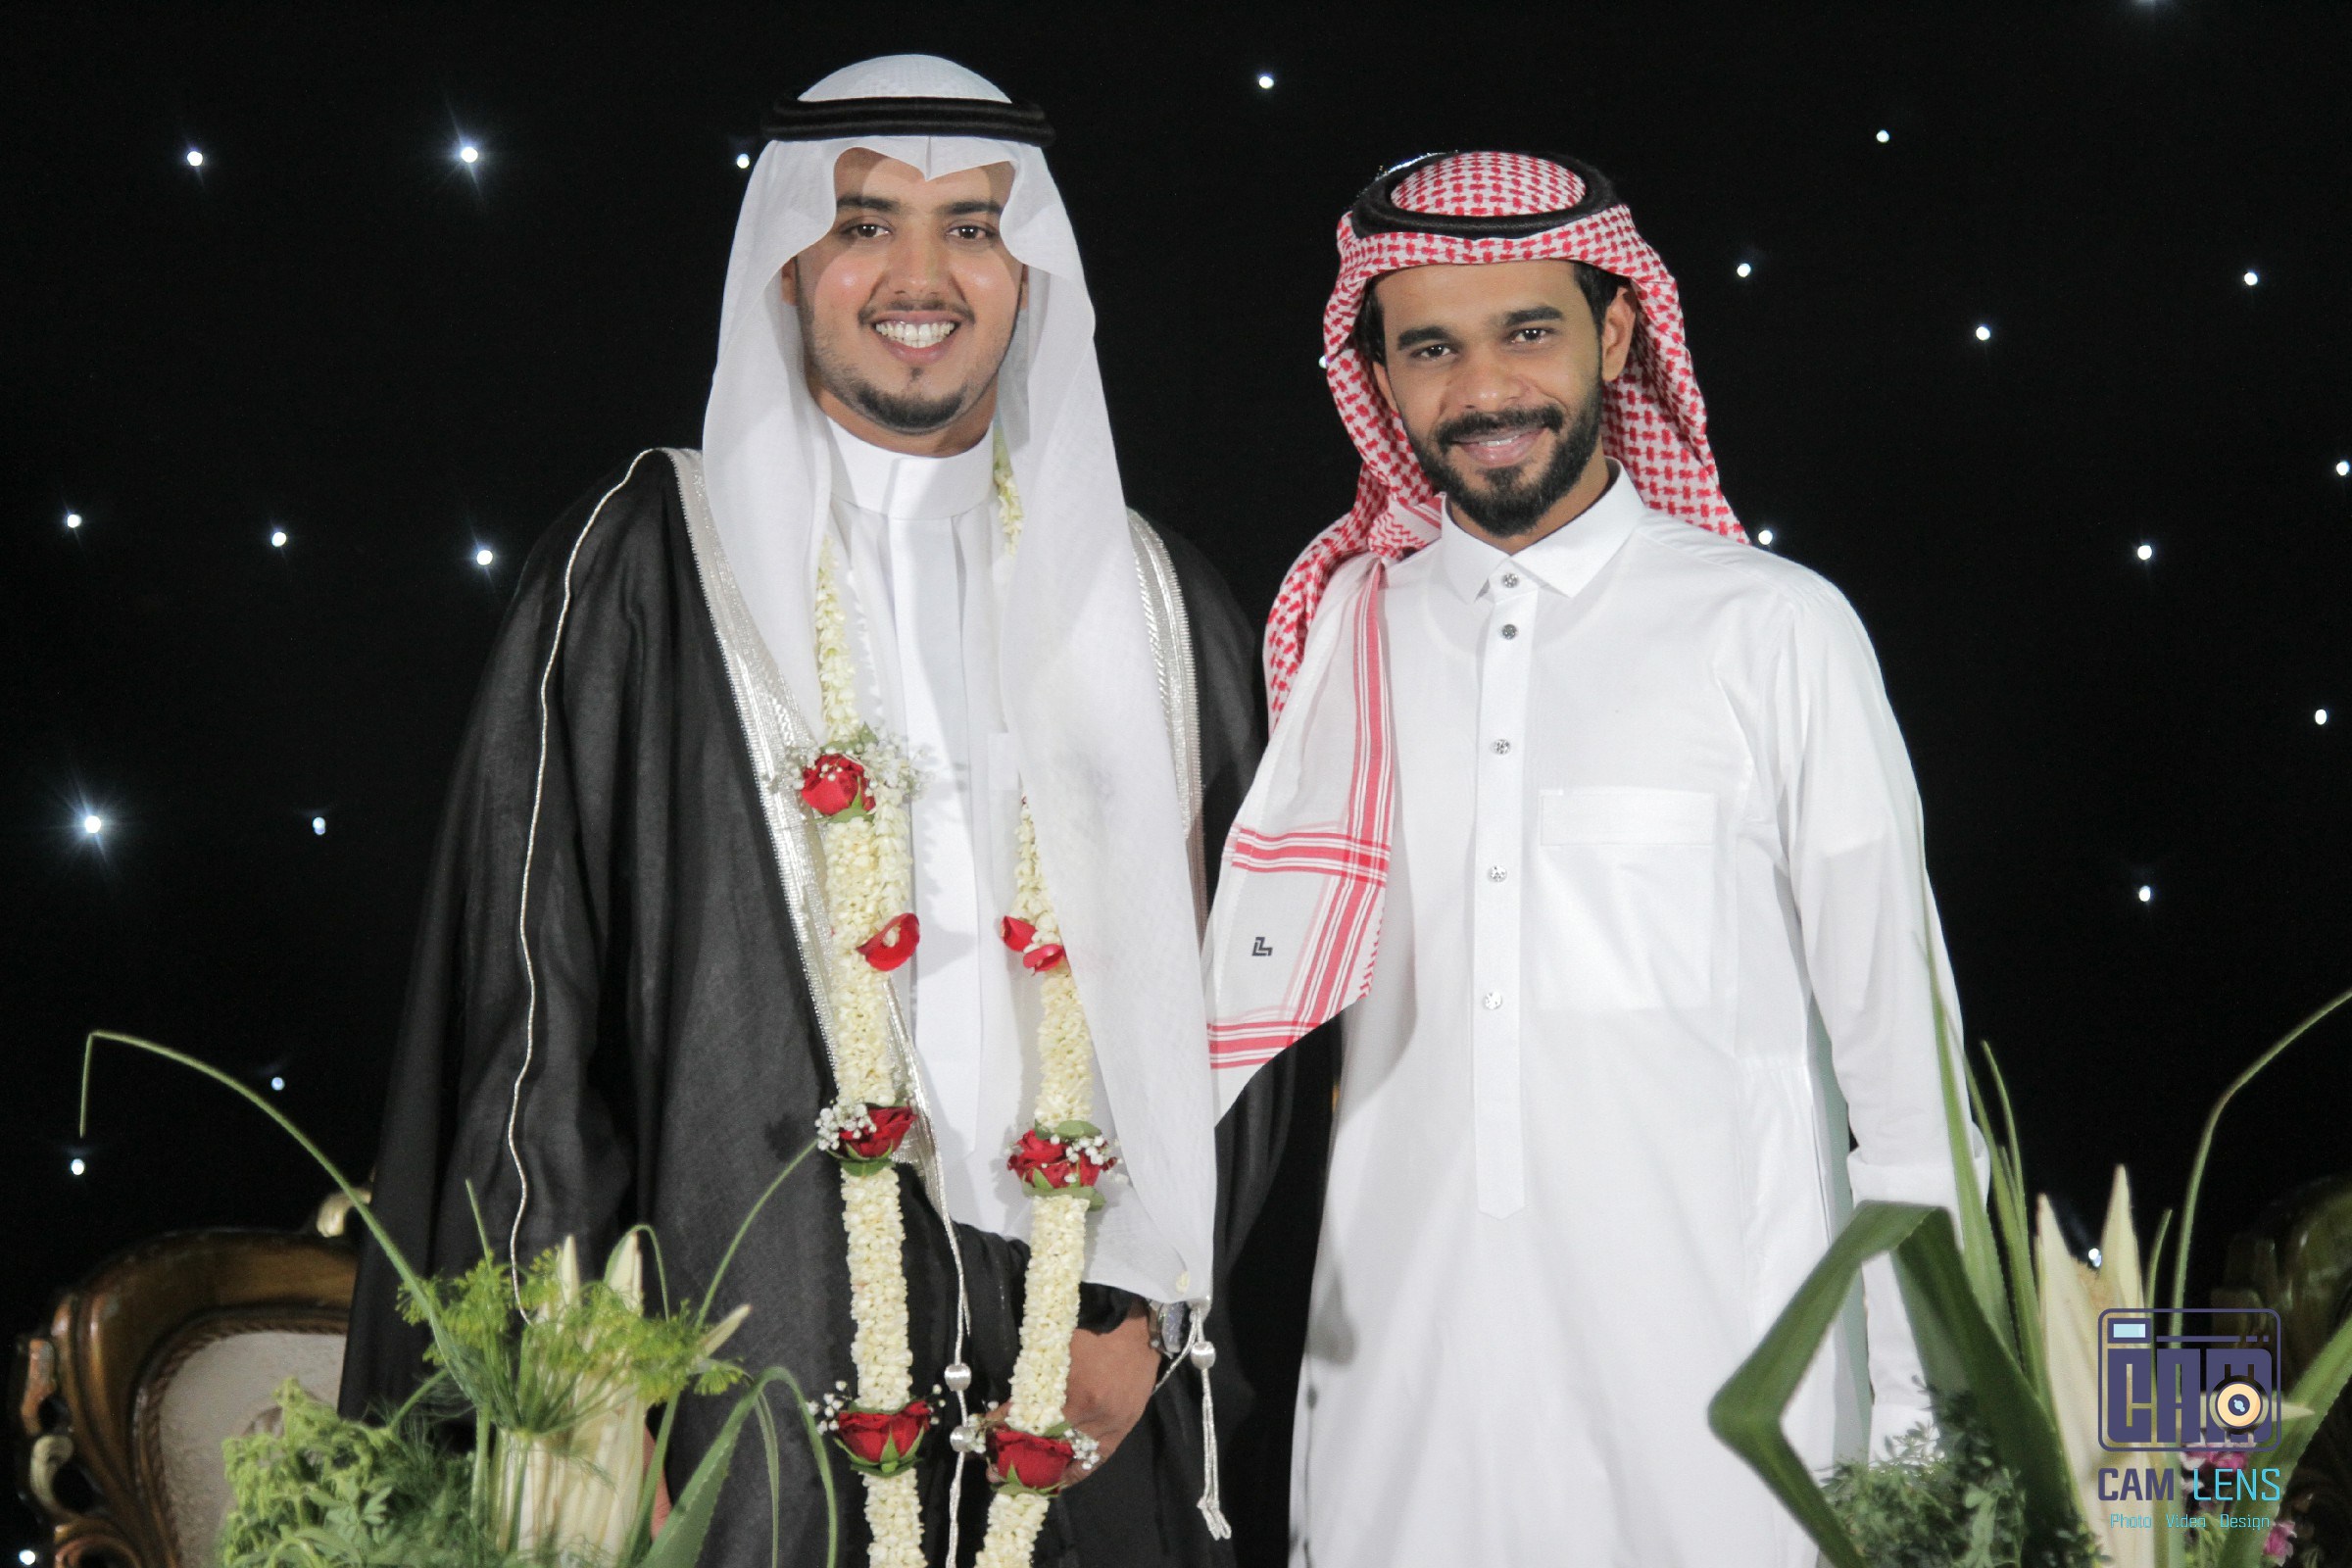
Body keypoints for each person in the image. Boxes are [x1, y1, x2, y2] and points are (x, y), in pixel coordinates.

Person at [341, 54, 1303, 1568]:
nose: (922, 276)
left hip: (1082, 1357)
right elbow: (529, 1006)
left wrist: (1146, 1311)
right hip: (746, 1355)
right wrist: (579, 1398)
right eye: (866, 225)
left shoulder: (1152, 599)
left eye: (972, 227)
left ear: (1029, 270)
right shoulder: (649, 565)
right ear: (789, 264)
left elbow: (1251, 991)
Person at [1202, 151, 1988, 1565]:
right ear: (1376, 377)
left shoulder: (1772, 631)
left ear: (1619, 334)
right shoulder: (1344, 647)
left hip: (1737, 1422)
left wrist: (1929, 1453)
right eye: (1431, 348)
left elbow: (1909, 1083)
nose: (1485, 388)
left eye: (1529, 331)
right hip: (1406, 1424)